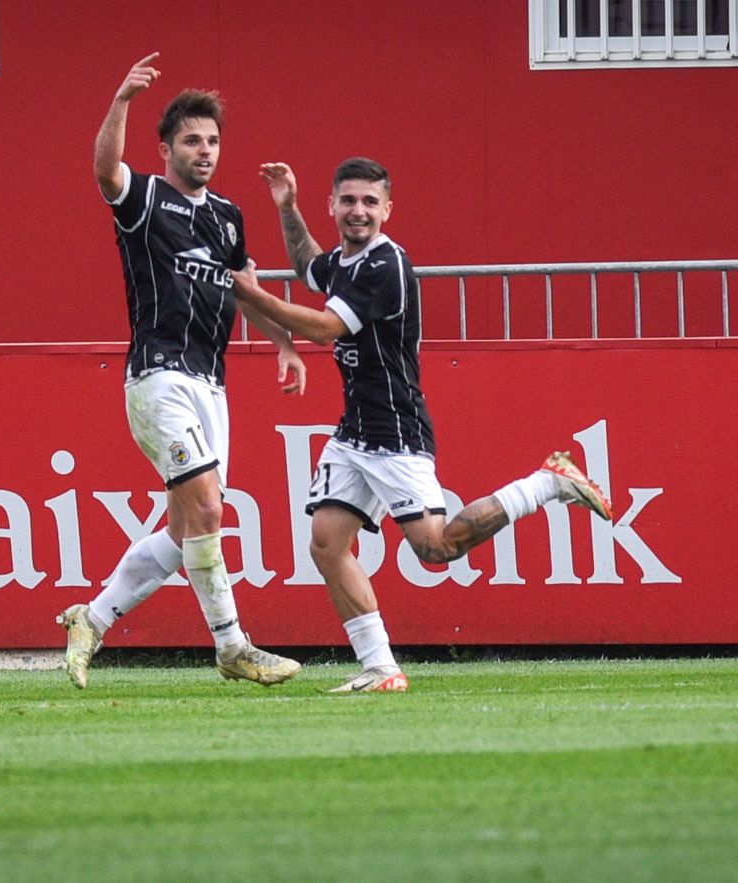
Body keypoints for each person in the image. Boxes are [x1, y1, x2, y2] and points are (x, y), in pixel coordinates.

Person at [232, 158, 615, 693]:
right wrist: (288, 207)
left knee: (436, 549)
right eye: (348, 200)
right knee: (326, 545)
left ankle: (549, 481)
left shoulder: (385, 265)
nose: (358, 211)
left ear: (388, 208)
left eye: (369, 201)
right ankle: (382, 668)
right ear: (333, 206)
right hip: (354, 433)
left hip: (395, 430)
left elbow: (324, 328)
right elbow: (308, 265)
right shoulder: (345, 261)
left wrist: (249, 292)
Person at [57, 53, 307, 689]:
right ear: (165, 146)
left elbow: (245, 289)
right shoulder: (143, 198)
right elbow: (102, 169)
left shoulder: (226, 216)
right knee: (207, 512)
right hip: (158, 376)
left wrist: (284, 342)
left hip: (210, 384)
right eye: (193, 140)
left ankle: (93, 617)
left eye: (214, 140)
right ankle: (232, 645)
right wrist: (121, 98)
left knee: (188, 528)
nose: (206, 150)